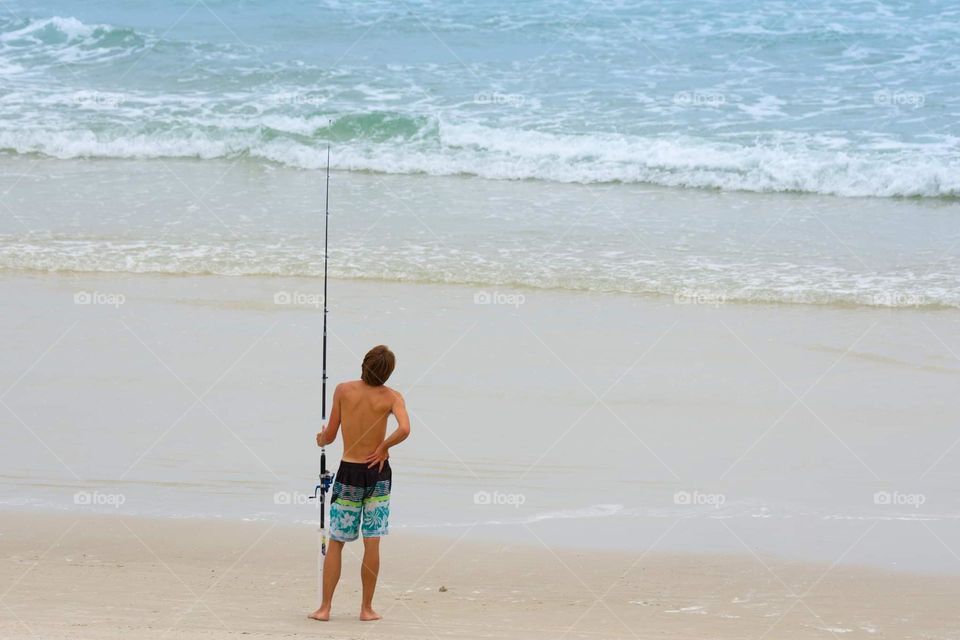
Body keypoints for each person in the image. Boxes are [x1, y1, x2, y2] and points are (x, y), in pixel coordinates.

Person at [309, 345, 410, 622]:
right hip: (378, 474)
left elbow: (329, 436)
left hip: (350, 473)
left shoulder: (343, 390)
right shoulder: (392, 397)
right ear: (388, 372)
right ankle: (366, 609)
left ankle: (325, 608)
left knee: (338, 541)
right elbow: (405, 429)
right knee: (372, 542)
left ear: (364, 364)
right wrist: (384, 446)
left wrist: (321, 440)